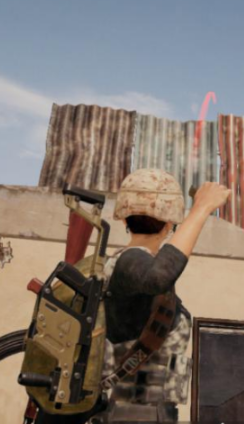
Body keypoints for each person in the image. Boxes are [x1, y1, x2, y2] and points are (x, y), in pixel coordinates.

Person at [97, 169, 230, 423]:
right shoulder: (130, 261)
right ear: (170, 224)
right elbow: (159, 276)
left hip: (146, 411)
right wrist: (200, 209)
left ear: (124, 220)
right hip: (134, 413)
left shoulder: (131, 266)